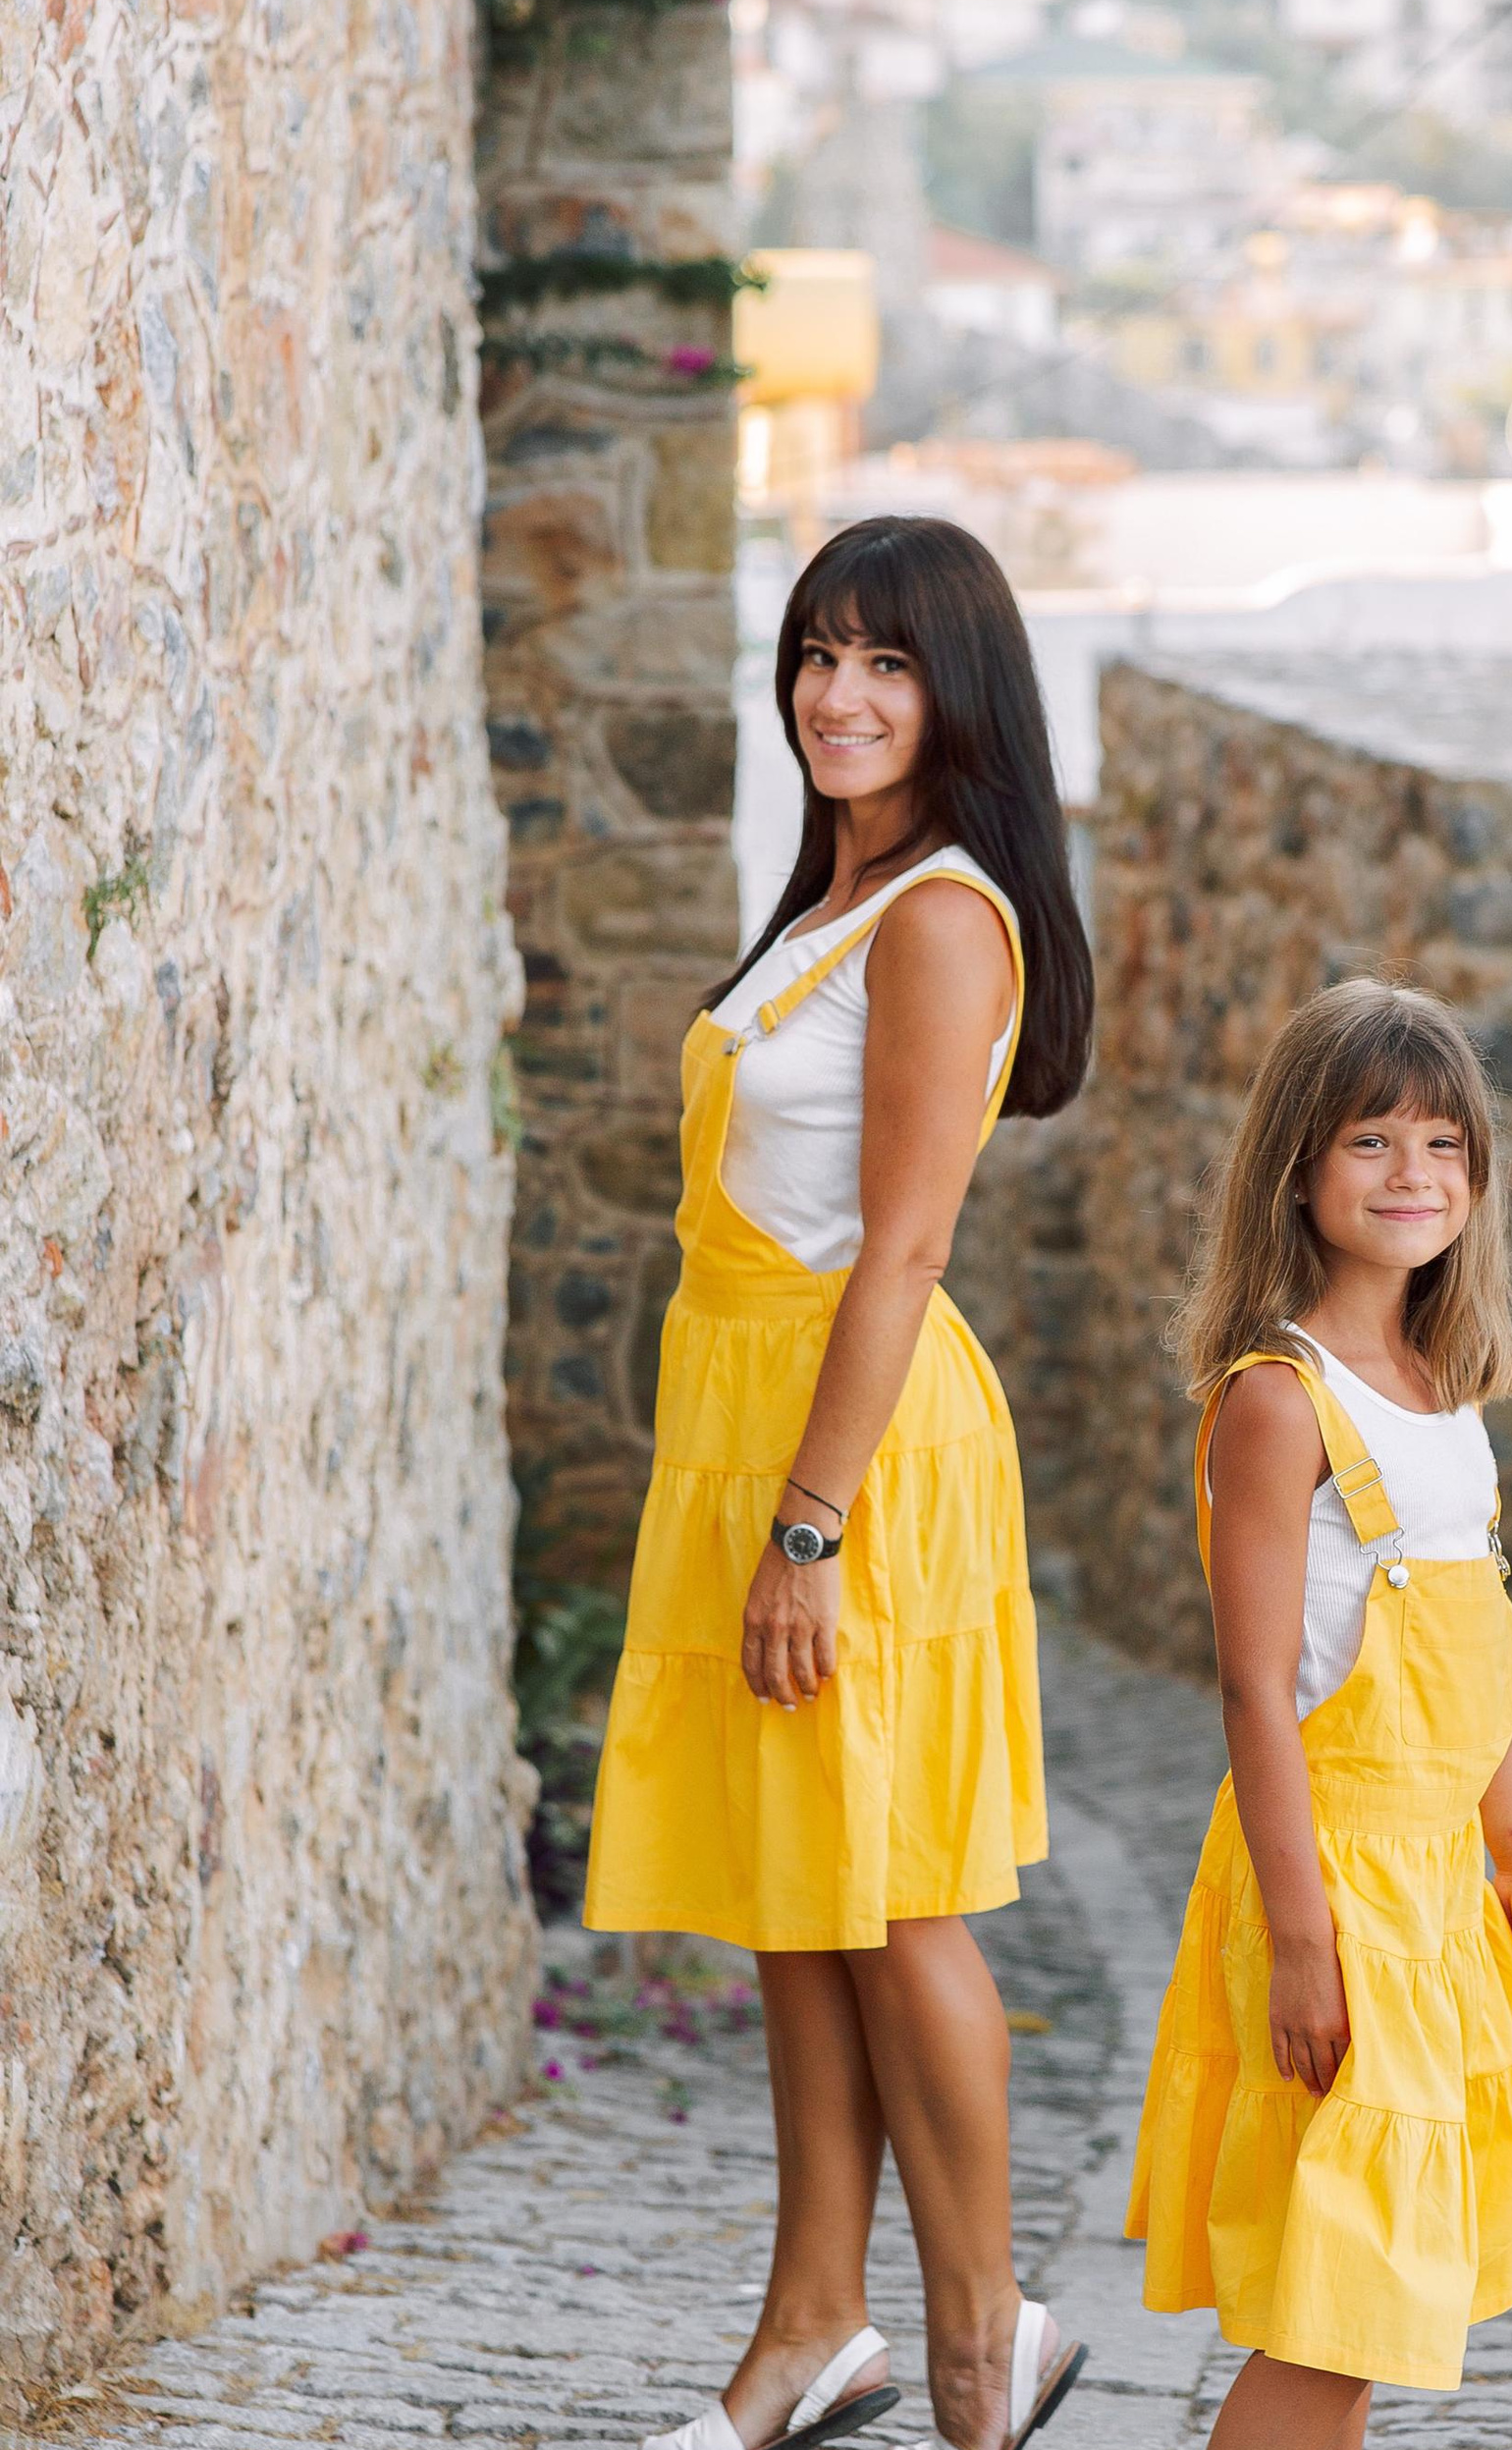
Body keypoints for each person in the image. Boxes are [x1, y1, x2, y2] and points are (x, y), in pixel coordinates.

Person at [582, 517, 1094, 2450]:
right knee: (798, 1891)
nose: (837, 695)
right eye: (815, 654)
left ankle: (985, 2334)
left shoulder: (944, 914)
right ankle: (812, 2317)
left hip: (848, 1440)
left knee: (890, 1898)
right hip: (751, 1412)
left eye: (884, 662)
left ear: (954, 692)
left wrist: (807, 1520)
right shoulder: (827, 899)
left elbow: (900, 1247)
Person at [1126, 979, 1512, 2448]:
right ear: (1299, 1169)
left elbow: (1468, 1654)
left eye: (1444, 1147)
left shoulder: (1444, 1391)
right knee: (1339, 2306)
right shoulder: (1281, 1399)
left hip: (1436, 1884)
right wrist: (1304, 1938)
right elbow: (1256, 1690)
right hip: (1332, 1883)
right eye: (1373, 1142)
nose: (1412, 1178)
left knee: (1375, 2303)